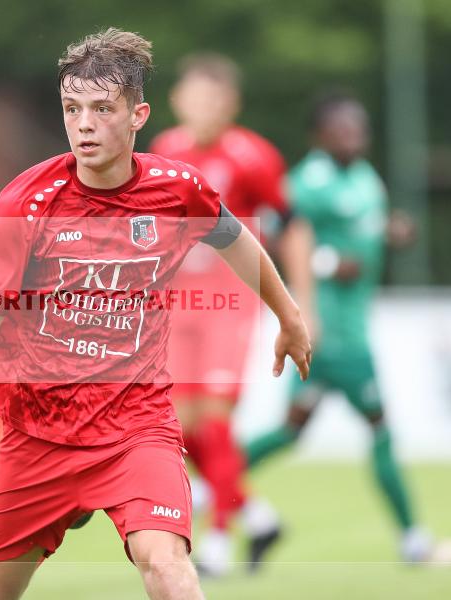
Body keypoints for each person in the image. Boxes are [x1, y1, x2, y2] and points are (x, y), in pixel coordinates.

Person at [0, 28, 312, 600]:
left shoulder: (178, 189)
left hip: (136, 426)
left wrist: (289, 315)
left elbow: (236, 240)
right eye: (72, 109)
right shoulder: (25, 204)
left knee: (167, 564)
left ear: (138, 115)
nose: (84, 123)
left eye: (102, 109)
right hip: (39, 434)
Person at [242, 91, 451, 564]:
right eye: (343, 129)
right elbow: (274, 232)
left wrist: (391, 232)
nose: (355, 136)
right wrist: (325, 263)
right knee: (381, 428)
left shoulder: (364, 178)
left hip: (335, 330)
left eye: (359, 128)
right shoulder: (308, 181)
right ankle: (414, 542)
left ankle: (206, 477)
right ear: (320, 136)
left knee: (290, 430)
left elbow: (362, 226)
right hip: (335, 332)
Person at [149, 53, 314, 576]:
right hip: (175, 303)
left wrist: (300, 304)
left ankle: (216, 540)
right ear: (177, 101)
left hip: (229, 303)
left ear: (230, 105)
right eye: (194, 97)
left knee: (216, 420)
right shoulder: (164, 151)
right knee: (178, 426)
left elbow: (292, 225)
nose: (202, 107)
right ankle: (258, 517)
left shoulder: (252, 156)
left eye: (213, 98)